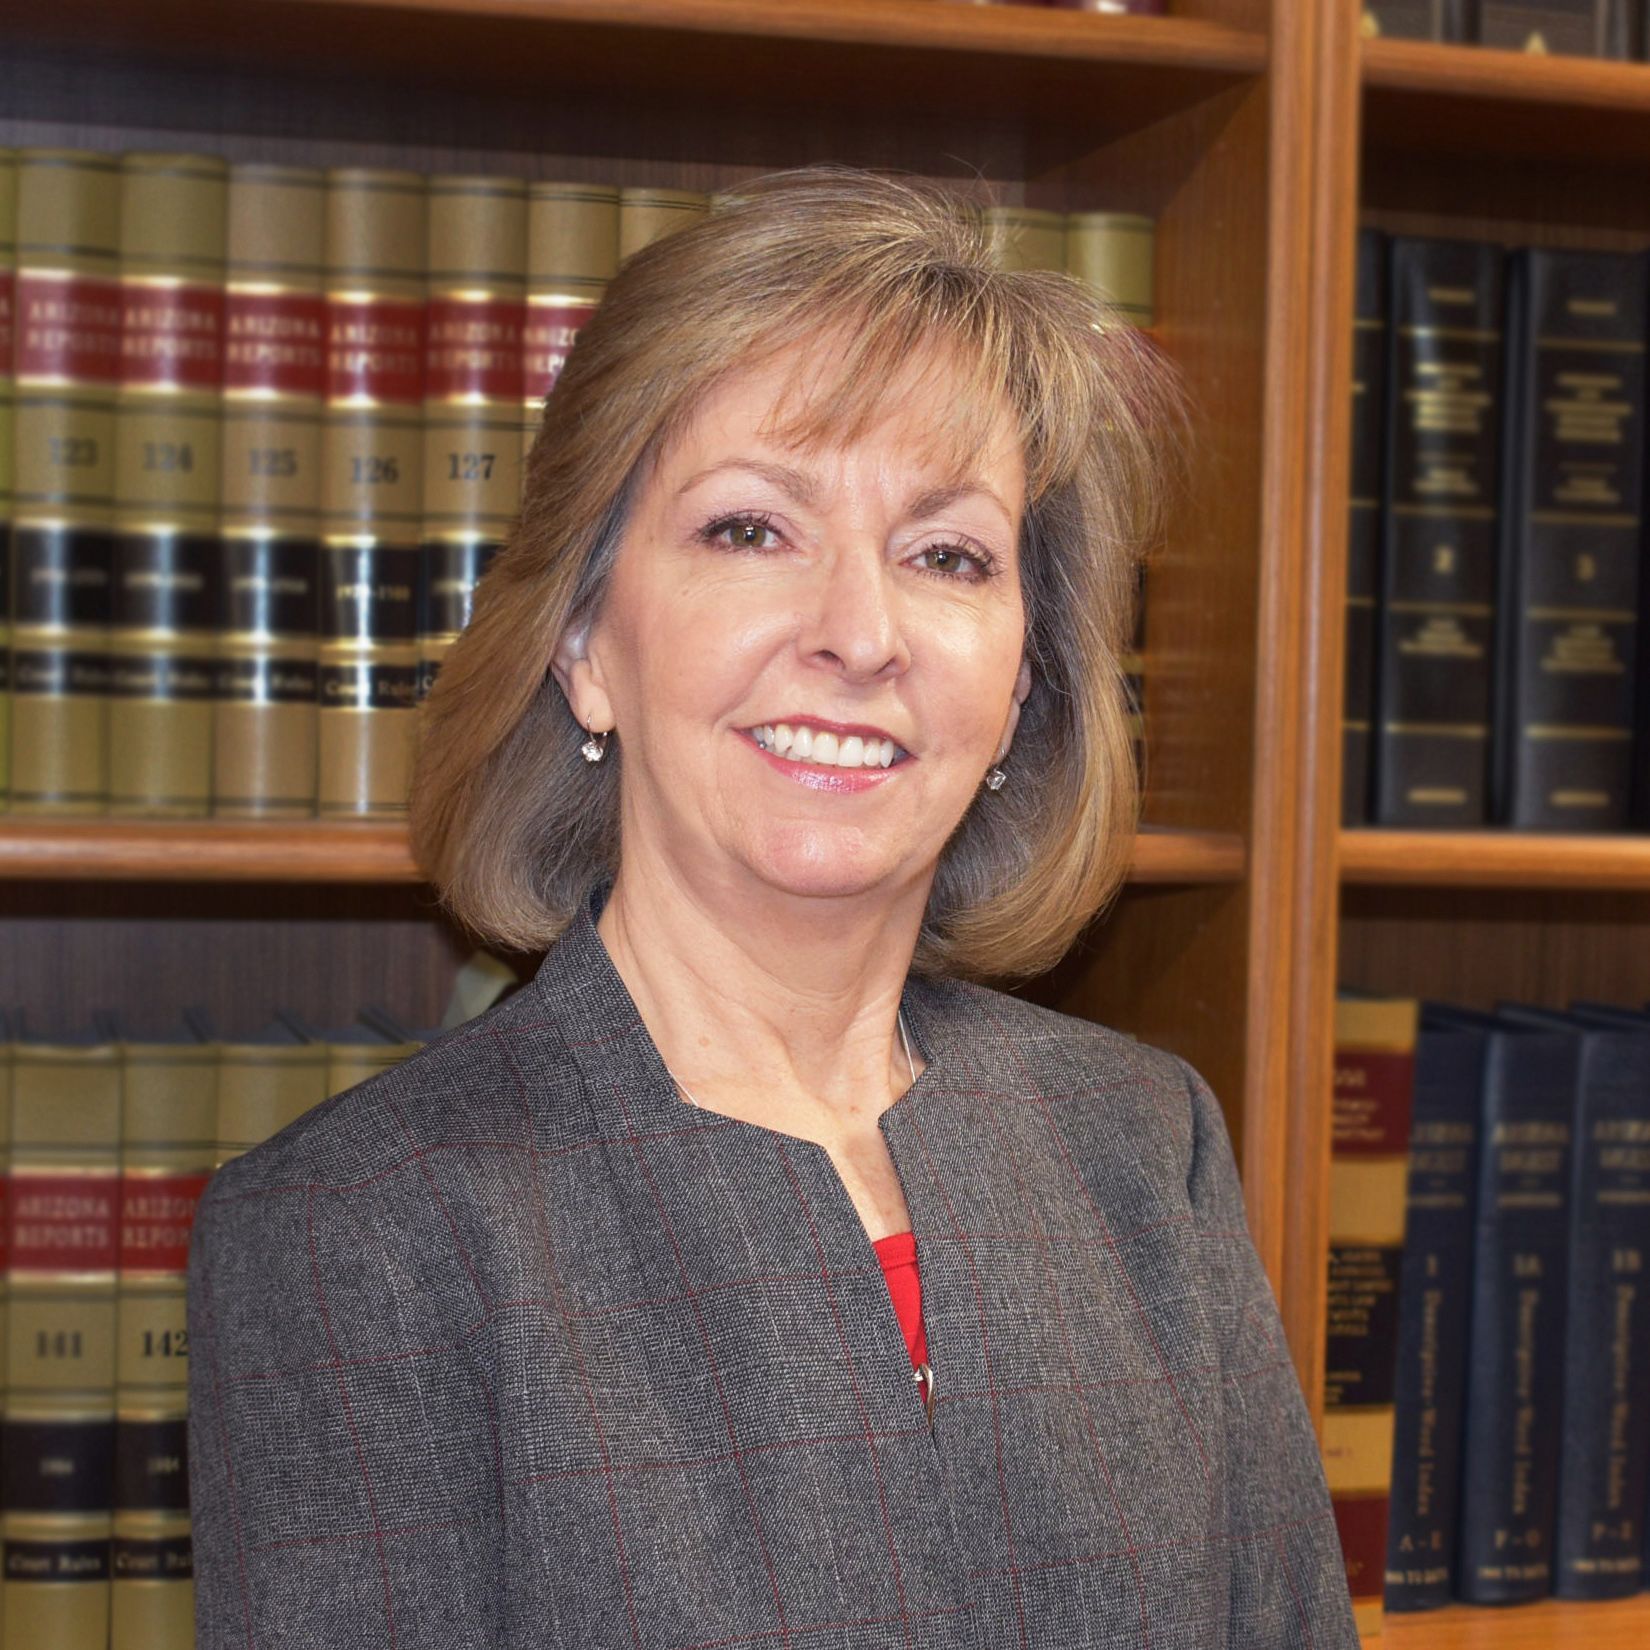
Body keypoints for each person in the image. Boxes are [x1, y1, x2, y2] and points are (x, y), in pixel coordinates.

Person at [186, 164, 1358, 1648]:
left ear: (1020, 684)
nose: (860, 634)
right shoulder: (358, 1232)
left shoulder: (1145, 1149)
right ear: (584, 643)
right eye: (751, 529)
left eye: (945, 554)